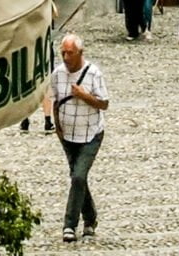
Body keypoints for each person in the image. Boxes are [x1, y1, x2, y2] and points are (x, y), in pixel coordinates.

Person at [48, 32, 108, 245]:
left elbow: (104, 104)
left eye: (70, 53)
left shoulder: (93, 74)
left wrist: (84, 96)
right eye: (63, 53)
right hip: (68, 136)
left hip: (91, 134)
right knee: (78, 178)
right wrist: (57, 127)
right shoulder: (57, 74)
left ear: (80, 53)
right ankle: (90, 218)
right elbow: (55, 101)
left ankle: (69, 225)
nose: (65, 57)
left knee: (78, 176)